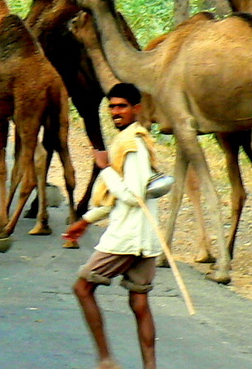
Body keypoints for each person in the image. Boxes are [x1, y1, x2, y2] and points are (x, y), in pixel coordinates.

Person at [64, 83, 161, 369]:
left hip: (127, 237)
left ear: (137, 109)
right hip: (147, 238)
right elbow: (115, 199)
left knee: (83, 288)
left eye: (121, 106)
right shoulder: (136, 141)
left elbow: (131, 196)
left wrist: (105, 167)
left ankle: (106, 359)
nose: (115, 112)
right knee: (140, 304)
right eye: (112, 107)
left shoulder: (132, 146)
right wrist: (85, 221)